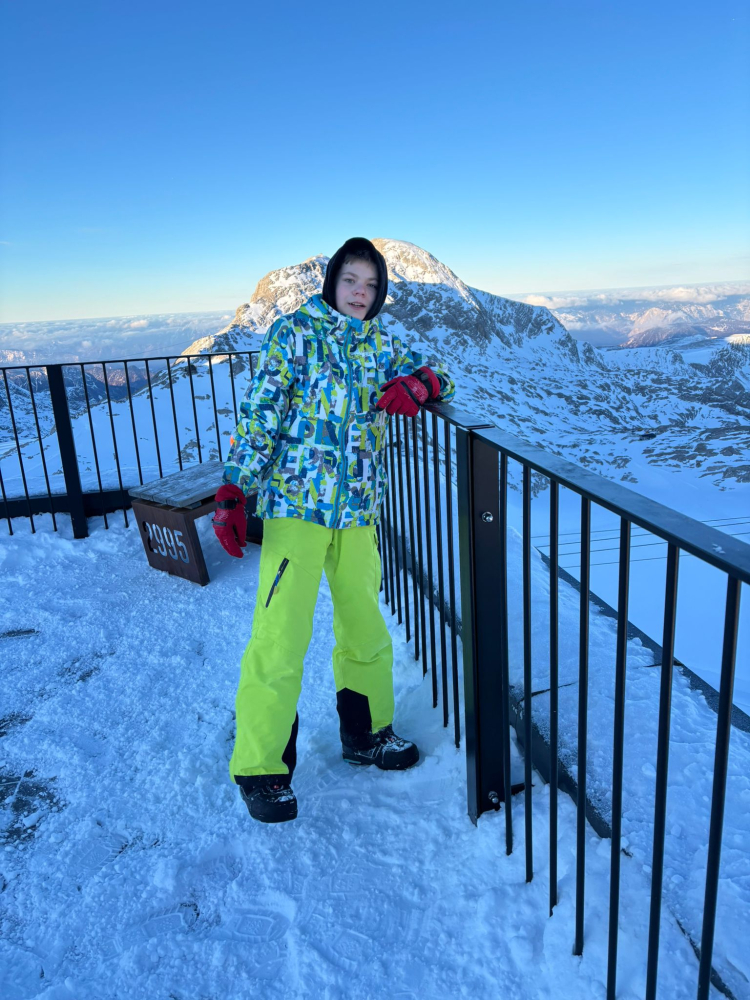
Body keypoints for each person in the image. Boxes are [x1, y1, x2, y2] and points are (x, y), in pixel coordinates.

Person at [212, 237, 455, 823]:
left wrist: (423, 384)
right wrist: (235, 488)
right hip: (296, 507)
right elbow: (261, 413)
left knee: (365, 627)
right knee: (281, 637)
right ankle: (261, 767)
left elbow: (443, 373)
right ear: (332, 282)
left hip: (358, 511)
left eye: (371, 285)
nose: (360, 293)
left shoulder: (382, 345)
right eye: (351, 280)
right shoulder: (295, 334)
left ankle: (367, 734)